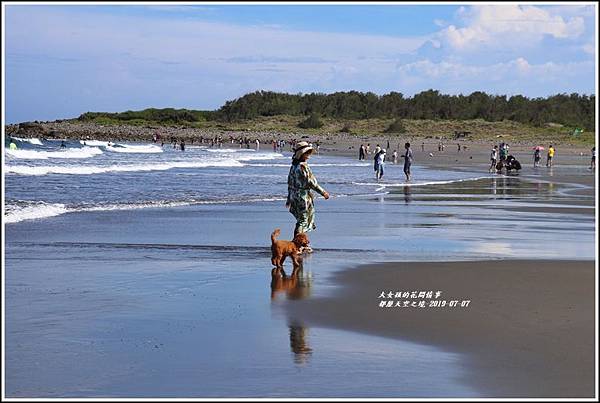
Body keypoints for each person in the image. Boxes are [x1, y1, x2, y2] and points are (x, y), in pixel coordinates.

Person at [286, 142, 330, 243]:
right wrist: (323, 192)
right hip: (303, 196)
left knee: (301, 220)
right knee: (303, 220)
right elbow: (311, 183)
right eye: (307, 154)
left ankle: (298, 242)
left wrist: (289, 198)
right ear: (302, 154)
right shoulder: (303, 166)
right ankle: (298, 243)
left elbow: (290, 182)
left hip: (294, 195)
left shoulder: (294, 166)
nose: (309, 156)